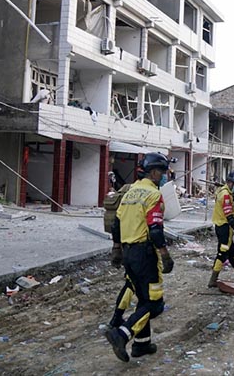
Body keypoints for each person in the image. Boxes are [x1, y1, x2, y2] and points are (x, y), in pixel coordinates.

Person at [105, 153, 175, 362]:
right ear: (154, 172)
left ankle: (141, 345)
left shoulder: (129, 192)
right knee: (154, 304)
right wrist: (165, 255)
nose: (164, 176)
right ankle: (122, 333)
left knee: (142, 298)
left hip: (128, 252)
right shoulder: (152, 195)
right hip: (145, 253)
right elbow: (155, 229)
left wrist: (116, 249)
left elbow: (116, 224)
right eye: (162, 172)